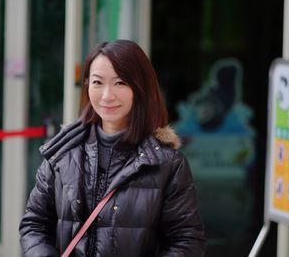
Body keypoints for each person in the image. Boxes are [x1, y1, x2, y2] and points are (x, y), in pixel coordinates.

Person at [19, 39, 206, 256]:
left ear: (140, 87)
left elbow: (187, 241)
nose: (107, 95)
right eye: (98, 82)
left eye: (120, 83)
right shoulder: (63, 152)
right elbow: (34, 225)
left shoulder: (167, 163)